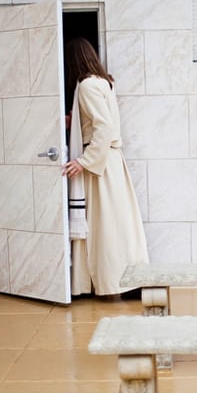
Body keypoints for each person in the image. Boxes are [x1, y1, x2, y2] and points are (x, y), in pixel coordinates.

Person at [61, 38, 149, 296]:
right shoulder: (103, 83)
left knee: (106, 226)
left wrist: (83, 161)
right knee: (116, 223)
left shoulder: (87, 86)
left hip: (100, 164)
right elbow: (100, 122)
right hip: (109, 161)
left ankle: (114, 281)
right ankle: (128, 279)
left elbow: (104, 127)